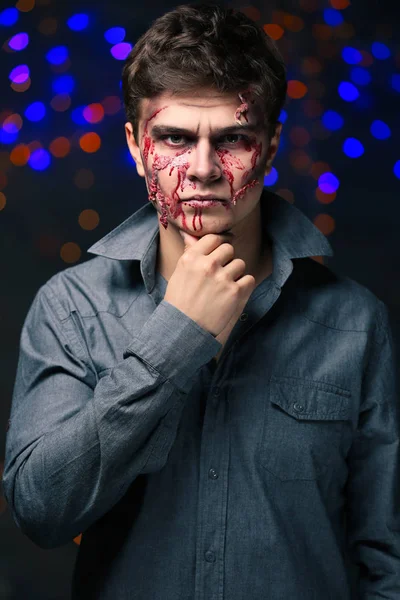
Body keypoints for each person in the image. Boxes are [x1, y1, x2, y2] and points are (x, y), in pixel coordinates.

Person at [2, 3, 400, 599]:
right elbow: (41, 511)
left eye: (233, 138)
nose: (204, 168)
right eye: (175, 138)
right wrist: (176, 337)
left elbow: (385, 562)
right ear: (137, 146)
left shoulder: (354, 324)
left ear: (269, 146)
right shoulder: (71, 311)